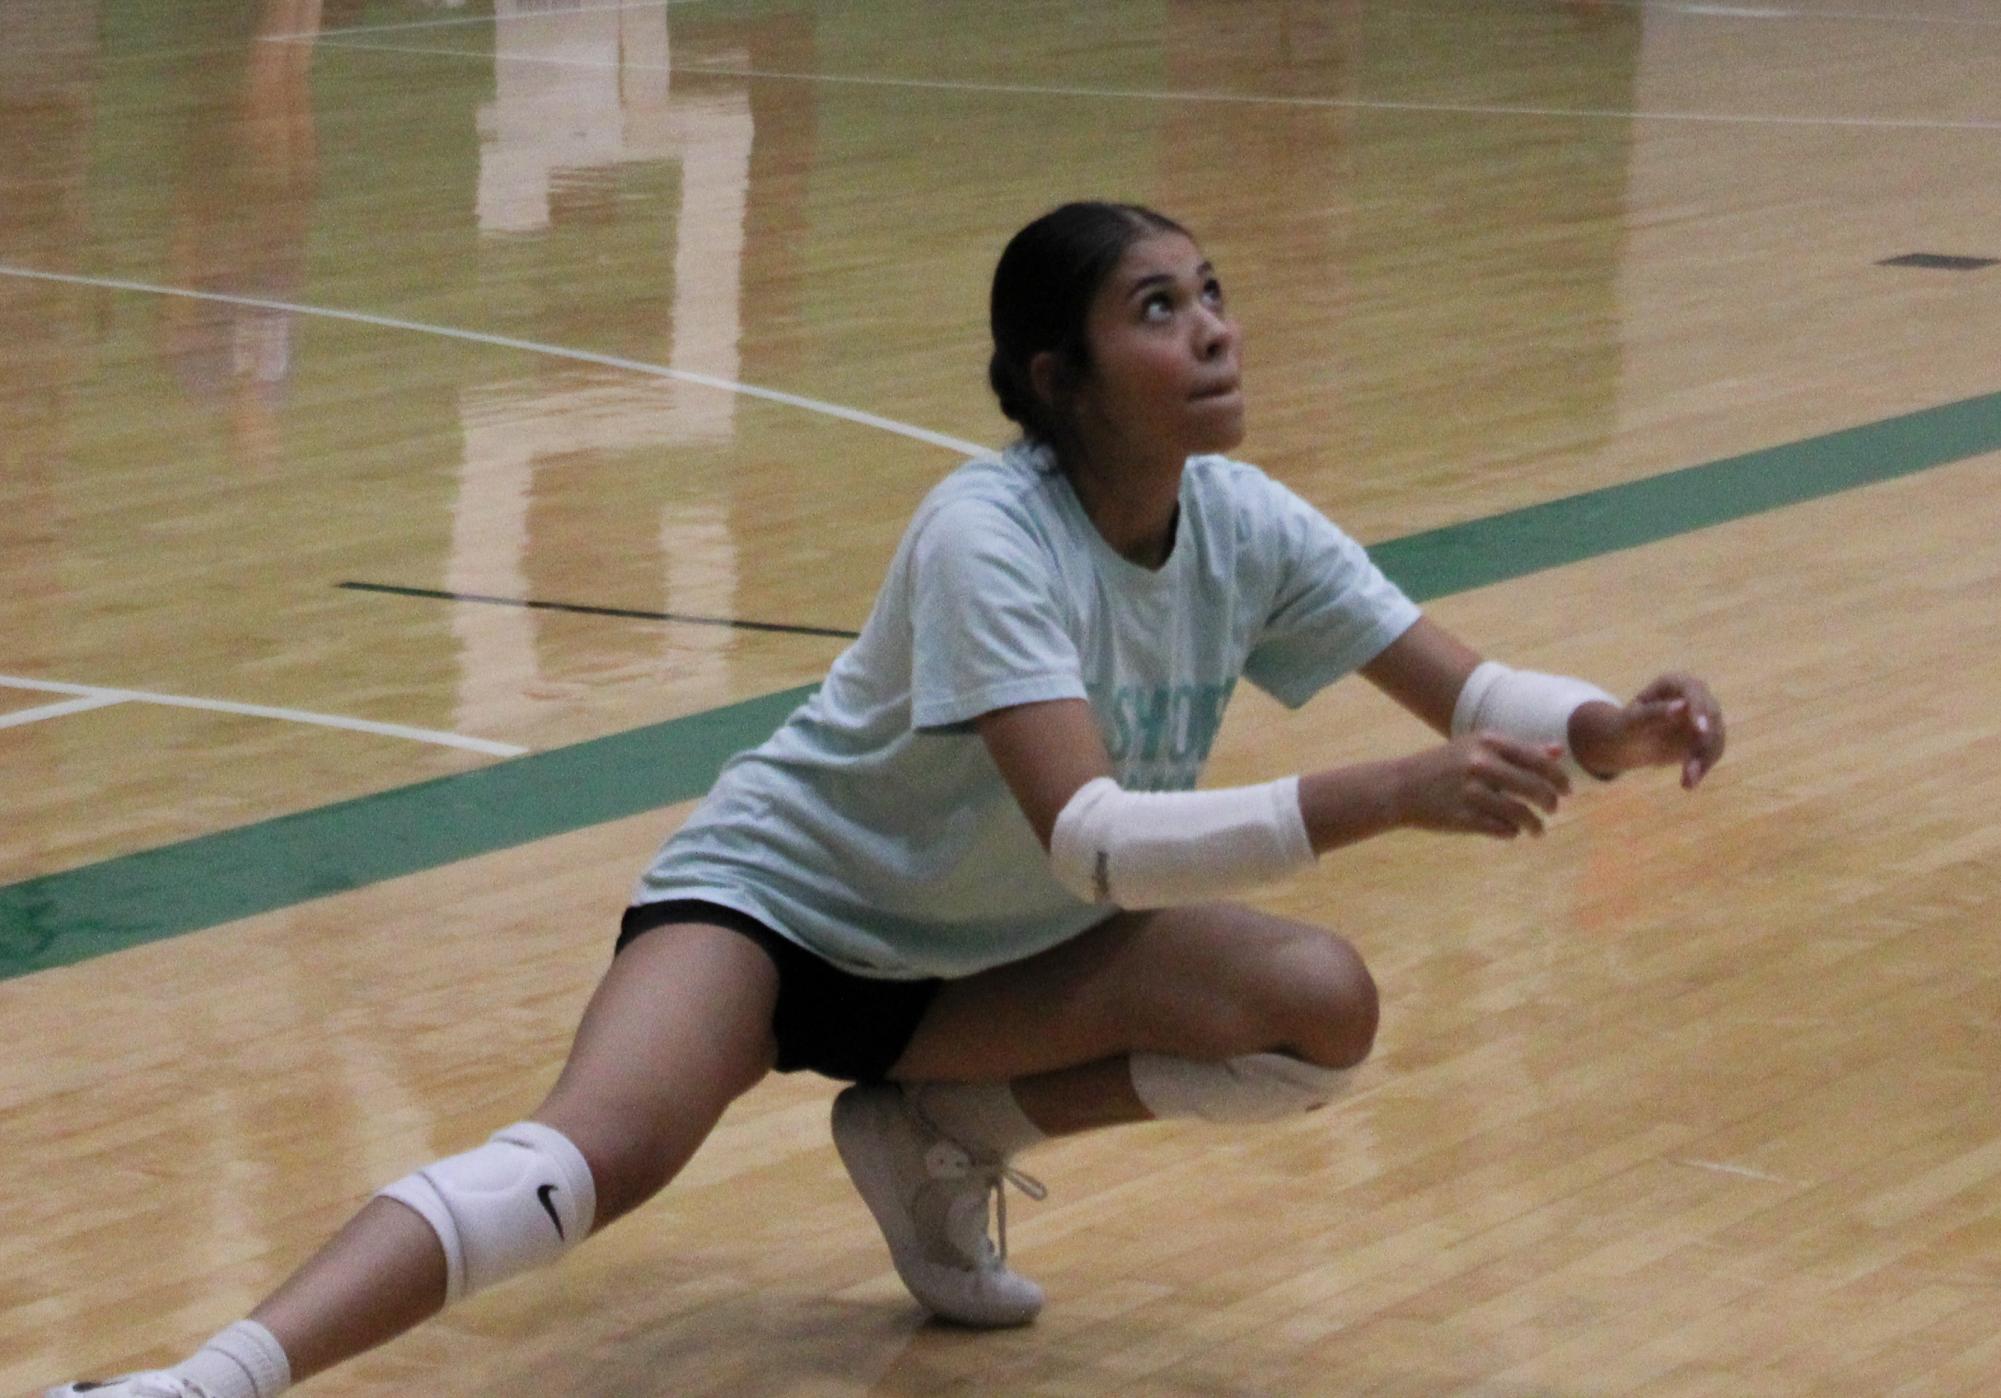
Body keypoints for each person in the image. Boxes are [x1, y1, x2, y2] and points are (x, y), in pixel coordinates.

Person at [49, 201, 1725, 1397]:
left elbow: (1465, 688)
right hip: (778, 918)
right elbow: (1093, 836)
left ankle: (938, 1133)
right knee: (579, 1165)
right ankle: (201, 1379)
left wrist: (1610, 729)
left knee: (1313, 1009)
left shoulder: (1244, 521)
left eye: (1210, 292)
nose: (1210, 325)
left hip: (979, 975)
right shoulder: (985, 531)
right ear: (1053, 374)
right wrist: (1384, 793)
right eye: (1156, 306)